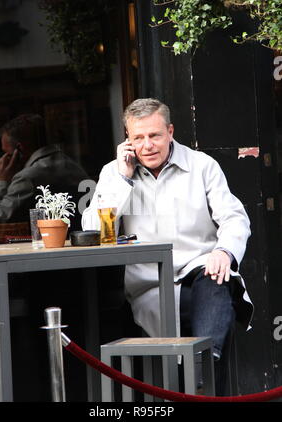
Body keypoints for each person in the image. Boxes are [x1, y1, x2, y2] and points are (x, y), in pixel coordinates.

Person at [82, 98, 254, 393]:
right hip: (149, 286)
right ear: (128, 139)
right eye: (138, 138)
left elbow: (234, 218)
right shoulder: (114, 173)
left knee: (217, 281)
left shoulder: (201, 166)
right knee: (215, 305)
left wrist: (224, 251)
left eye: (155, 135)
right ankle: (205, 374)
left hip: (200, 273)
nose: (147, 145)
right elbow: (92, 230)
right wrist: (123, 180)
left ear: (170, 131)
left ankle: (203, 367)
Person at [0, 113, 88, 229]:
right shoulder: (72, 165)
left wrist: (0, 181)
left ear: (19, 150)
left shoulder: (27, 178)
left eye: (7, 154)